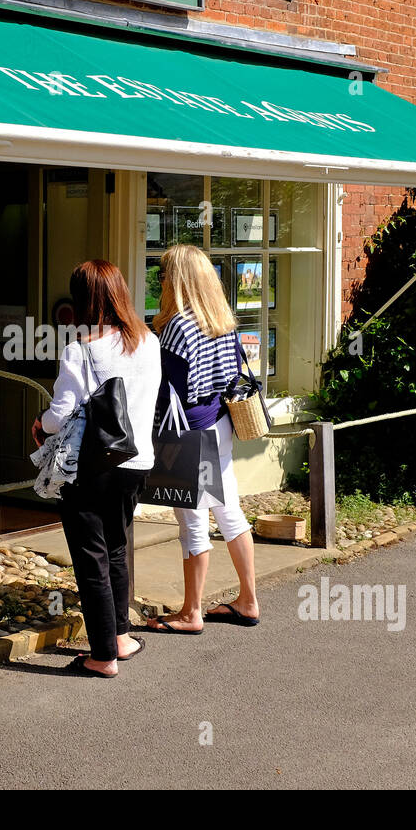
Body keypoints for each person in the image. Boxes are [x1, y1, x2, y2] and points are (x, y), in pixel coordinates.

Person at [33, 260, 161, 677]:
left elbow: (60, 414)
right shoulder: (149, 341)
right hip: (137, 461)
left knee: (91, 557)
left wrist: (39, 425)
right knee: (117, 547)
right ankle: (121, 637)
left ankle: (102, 656)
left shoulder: (81, 349)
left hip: (94, 464)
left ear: (83, 299)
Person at [146, 244, 260, 633]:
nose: (159, 281)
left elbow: (170, 391)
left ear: (178, 280)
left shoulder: (179, 325)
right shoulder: (221, 320)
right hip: (219, 425)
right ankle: (247, 600)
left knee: (192, 521)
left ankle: (190, 613)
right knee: (229, 511)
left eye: (163, 275)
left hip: (190, 433)